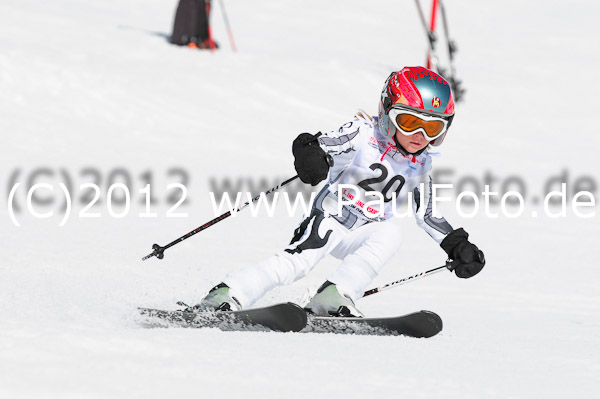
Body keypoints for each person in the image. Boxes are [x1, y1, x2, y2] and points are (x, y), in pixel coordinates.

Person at [196, 66, 486, 317]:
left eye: (433, 127)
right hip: (331, 218)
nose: (420, 136)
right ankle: (228, 293)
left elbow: (428, 215)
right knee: (295, 264)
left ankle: (334, 296)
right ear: (388, 112)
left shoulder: (420, 164)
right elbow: (320, 143)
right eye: (409, 122)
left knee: (390, 233)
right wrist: (310, 154)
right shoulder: (364, 134)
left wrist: (458, 246)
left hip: (364, 230)